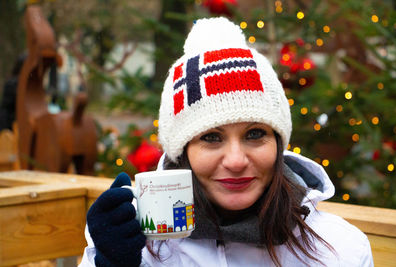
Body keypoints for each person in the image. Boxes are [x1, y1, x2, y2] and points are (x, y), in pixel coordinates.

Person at [79, 17, 373, 267]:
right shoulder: (141, 248)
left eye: (255, 134)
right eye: (211, 137)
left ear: (278, 143)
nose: (235, 161)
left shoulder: (341, 251)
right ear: (183, 153)